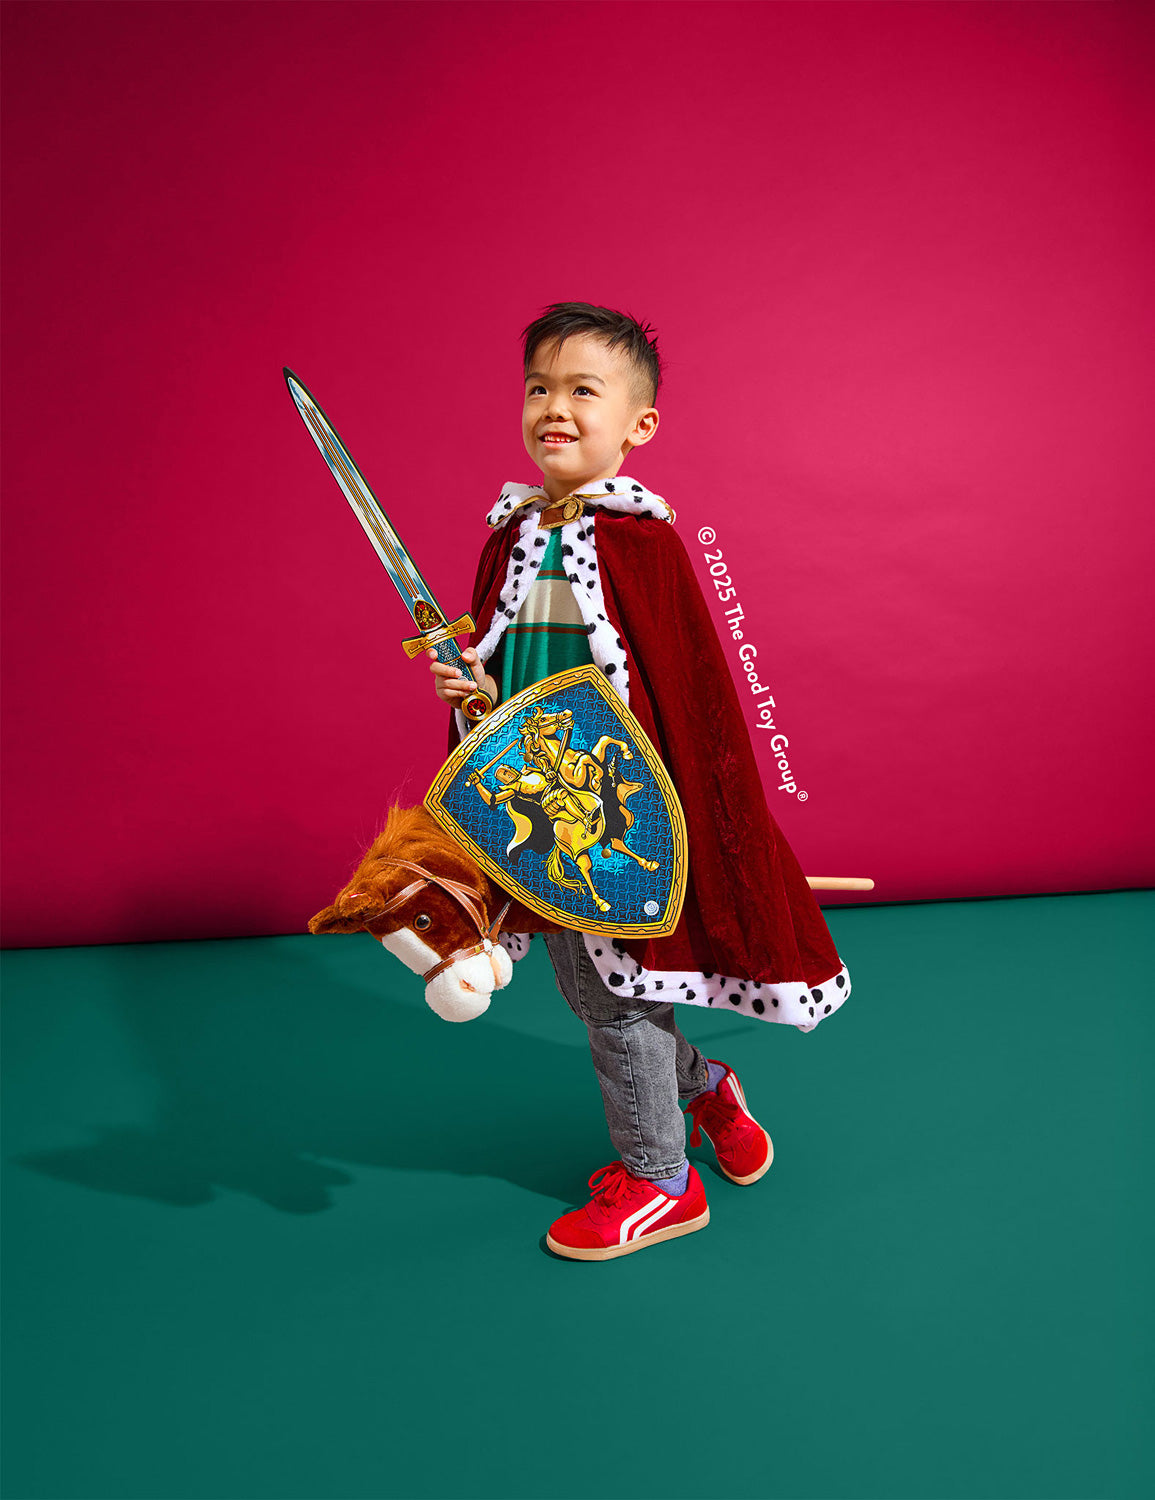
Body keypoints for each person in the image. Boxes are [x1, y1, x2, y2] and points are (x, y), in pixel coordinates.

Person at [428, 302, 851, 1261]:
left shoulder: (643, 545)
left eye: (583, 390)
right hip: (538, 807)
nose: (555, 408)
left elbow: (689, 698)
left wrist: (695, 821)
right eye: (539, 388)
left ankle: (662, 1180)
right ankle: (707, 1089)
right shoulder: (508, 537)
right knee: (589, 988)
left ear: (638, 424)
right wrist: (471, 687)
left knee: (618, 995)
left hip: (617, 814)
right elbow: (515, 690)